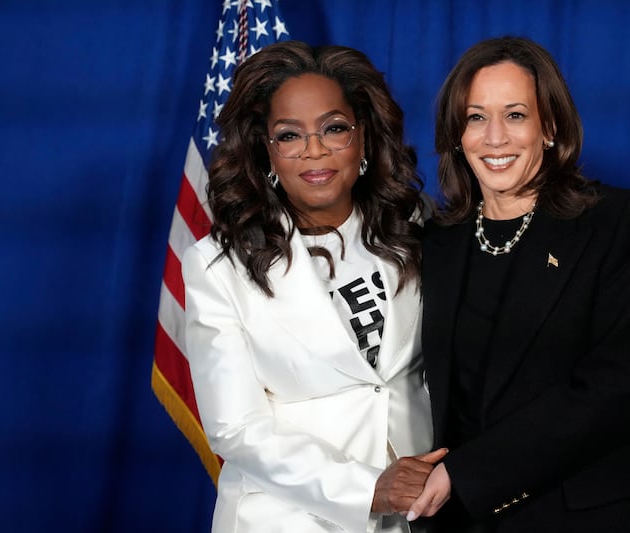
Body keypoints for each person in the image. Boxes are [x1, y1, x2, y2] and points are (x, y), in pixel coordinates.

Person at [407, 36, 630, 532]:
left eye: (515, 115)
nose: (494, 138)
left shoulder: (620, 222)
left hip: (591, 514)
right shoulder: (436, 240)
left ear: (550, 127)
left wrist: (467, 474)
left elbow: (611, 387)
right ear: (456, 133)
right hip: (469, 518)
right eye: (475, 117)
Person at [182, 40, 445, 533]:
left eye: (334, 128)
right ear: (266, 150)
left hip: (420, 510)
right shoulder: (219, 268)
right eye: (289, 135)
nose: (315, 150)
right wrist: (368, 488)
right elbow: (235, 427)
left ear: (362, 137)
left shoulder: (415, 225)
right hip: (287, 517)